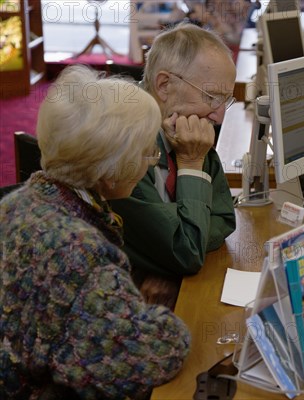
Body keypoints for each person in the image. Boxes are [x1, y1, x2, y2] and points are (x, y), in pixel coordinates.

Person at [0, 65, 190, 398]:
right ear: (111, 167)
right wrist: (162, 319)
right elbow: (154, 355)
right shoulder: (77, 249)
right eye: (146, 151)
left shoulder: (19, 202)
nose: (150, 162)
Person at [110, 23, 237, 307]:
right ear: (164, 85)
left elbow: (225, 218)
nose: (218, 116)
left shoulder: (186, 128)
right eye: (212, 97)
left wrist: (173, 254)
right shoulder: (126, 146)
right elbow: (187, 253)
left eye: (225, 100)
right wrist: (191, 164)